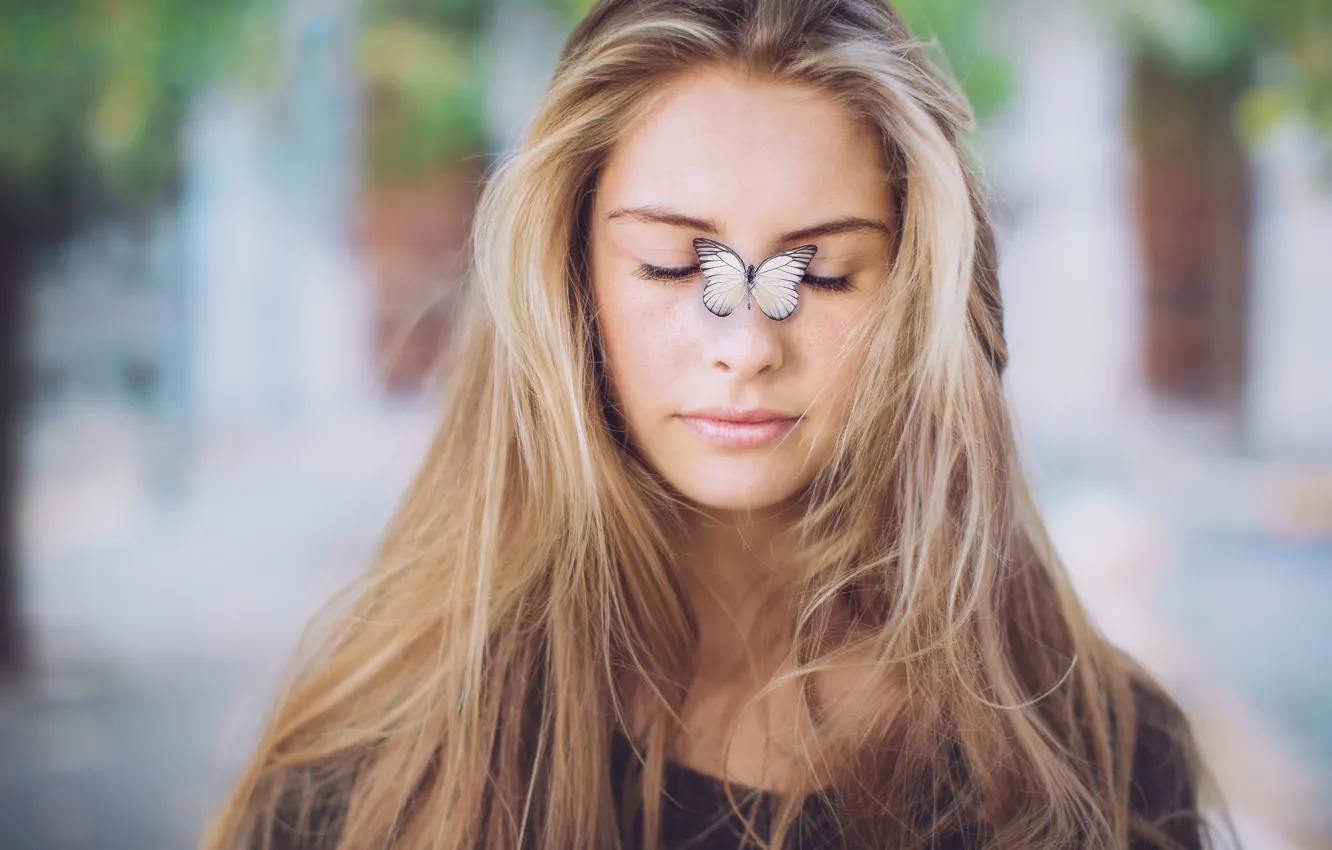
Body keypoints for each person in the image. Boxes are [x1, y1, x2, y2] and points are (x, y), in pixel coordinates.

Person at [202, 0, 1215, 847]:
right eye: (678, 265)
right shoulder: (377, 771)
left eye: (817, 272)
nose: (745, 345)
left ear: (914, 294)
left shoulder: (1101, 753)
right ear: (571, 279)